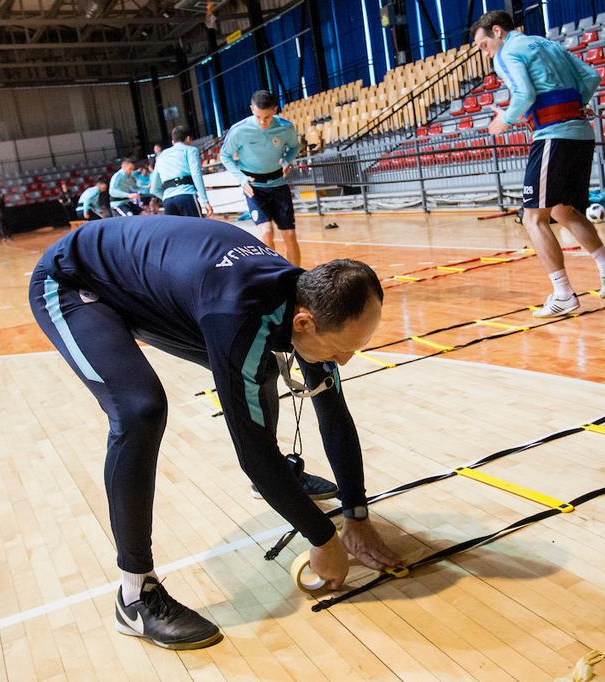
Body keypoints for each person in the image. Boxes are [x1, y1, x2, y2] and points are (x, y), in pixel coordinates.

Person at [29, 216, 401, 650]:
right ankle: (134, 597)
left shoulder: (310, 301)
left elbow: (333, 410)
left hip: (161, 290)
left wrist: (356, 514)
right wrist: (323, 537)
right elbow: (250, 453)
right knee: (140, 409)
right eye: (341, 348)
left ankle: (283, 480)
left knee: (256, 367)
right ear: (303, 322)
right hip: (75, 281)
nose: (345, 359)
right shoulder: (241, 316)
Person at [472, 11, 605, 317]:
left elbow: (525, 93)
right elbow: (591, 77)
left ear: (498, 32)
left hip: (553, 137)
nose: (485, 53)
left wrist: (505, 118)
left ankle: (564, 294)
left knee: (533, 219)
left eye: (483, 45)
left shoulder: (505, 54)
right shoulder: (547, 44)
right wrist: (571, 107)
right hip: (581, 134)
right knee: (562, 210)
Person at [220, 90, 302, 265]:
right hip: (254, 188)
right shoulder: (239, 130)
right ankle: (272, 278)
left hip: (279, 185)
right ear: (251, 109)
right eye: (258, 117)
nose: (263, 122)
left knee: (289, 234)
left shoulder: (285, 127)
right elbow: (225, 156)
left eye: (267, 117)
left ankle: (297, 279)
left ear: (275, 110)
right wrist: (241, 179)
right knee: (266, 232)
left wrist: (287, 160)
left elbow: (295, 147)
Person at [150, 125, 213, 218]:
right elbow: (196, 174)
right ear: (188, 139)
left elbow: (154, 188)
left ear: (173, 141)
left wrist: (165, 197)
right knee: (196, 230)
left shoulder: (160, 156)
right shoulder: (191, 150)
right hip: (186, 195)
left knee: (175, 232)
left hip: (168, 200)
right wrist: (205, 201)